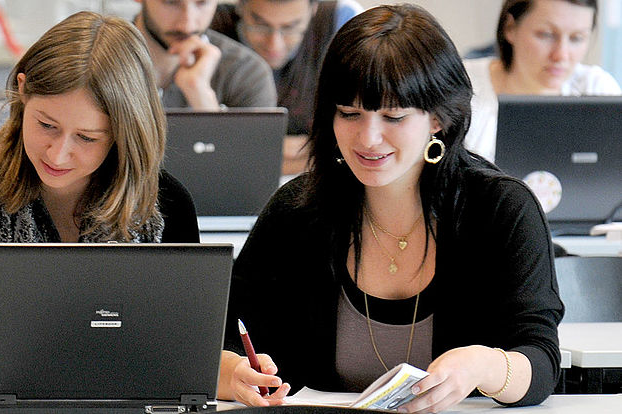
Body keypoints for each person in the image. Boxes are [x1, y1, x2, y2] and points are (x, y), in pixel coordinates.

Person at [218, 5, 563, 412]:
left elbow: (540, 361)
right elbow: (223, 339)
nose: (369, 138)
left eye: (393, 116)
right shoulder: (297, 212)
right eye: (349, 114)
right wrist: (231, 373)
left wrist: (483, 366)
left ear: (438, 118)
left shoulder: (501, 210)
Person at [0, 11, 201, 351]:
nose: (57, 154)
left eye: (87, 138)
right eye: (47, 125)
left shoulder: (169, 206)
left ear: (124, 134)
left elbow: (191, 346)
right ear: (22, 90)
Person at [462, 0, 621, 162]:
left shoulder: (597, 89)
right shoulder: (460, 85)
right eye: (546, 34)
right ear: (510, 27)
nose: (561, 55)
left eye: (577, 38)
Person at [210, 0, 362, 135]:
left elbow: (357, 137)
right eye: (261, 25)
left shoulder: (340, 20)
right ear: (241, 6)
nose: (274, 44)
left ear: (314, 9)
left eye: (290, 27)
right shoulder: (207, 26)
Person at [131, 0, 277, 111]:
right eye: (171, 2)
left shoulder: (248, 73)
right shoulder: (108, 57)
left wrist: (201, 96)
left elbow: (247, 151)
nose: (188, 25)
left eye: (202, 2)